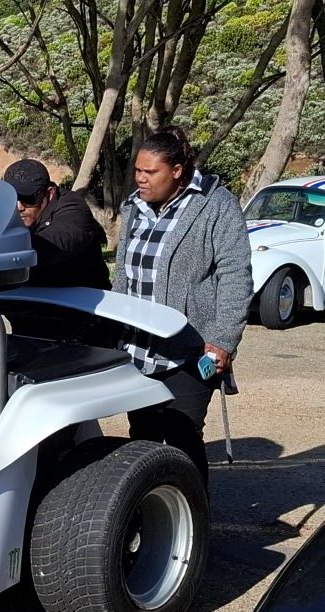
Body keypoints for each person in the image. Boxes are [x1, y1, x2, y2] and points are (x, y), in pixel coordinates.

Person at [113, 126, 252, 486]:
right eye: (138, 171)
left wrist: (223, 340)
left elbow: (236, 274)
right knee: (141, 438)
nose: (140, 179)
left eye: (150, 172)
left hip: (191, 350)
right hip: (137, 350)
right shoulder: (134, 206)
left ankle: (193, 520)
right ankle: (150, 518)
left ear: (177, 171)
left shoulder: (216, 205)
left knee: (182, 436)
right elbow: (123, 274)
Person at [3, 158, 111, 289]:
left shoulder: (74, 210)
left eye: (28, 198)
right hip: (30, 298)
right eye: (12, 198)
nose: (19, 206)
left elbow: (53, 245)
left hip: (81, 300)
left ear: (49, 193)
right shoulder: (6, 210)